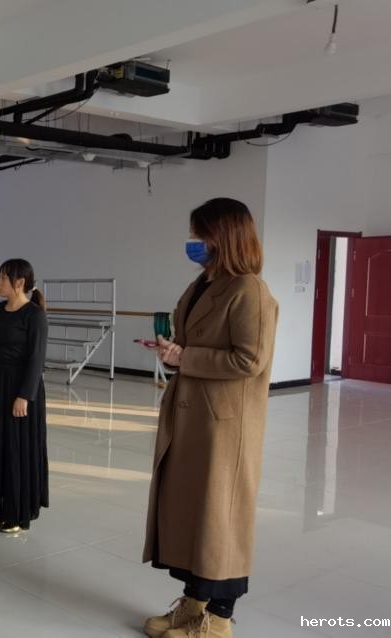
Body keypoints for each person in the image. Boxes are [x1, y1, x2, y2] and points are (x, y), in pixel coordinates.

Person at [141, 198, 278, 638]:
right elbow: (195, 341)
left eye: (200, 234)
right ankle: (194, 603)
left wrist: (187, 357)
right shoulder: (204, 282)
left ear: (225, 237)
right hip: (194, 416)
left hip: (225, 425)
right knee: (195, 516)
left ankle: (218, 618)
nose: (193, 242)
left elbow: (250, 360)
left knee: (222, 519)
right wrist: (173, 352)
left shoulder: (249, 290)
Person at [0, 259, 50, 534]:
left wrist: (24, 396)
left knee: (17, 448)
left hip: (20, 388)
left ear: (19, 282)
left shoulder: (34, 315)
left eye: (2, 278)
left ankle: (17, 512)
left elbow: (36, 360)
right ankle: (2, 506)